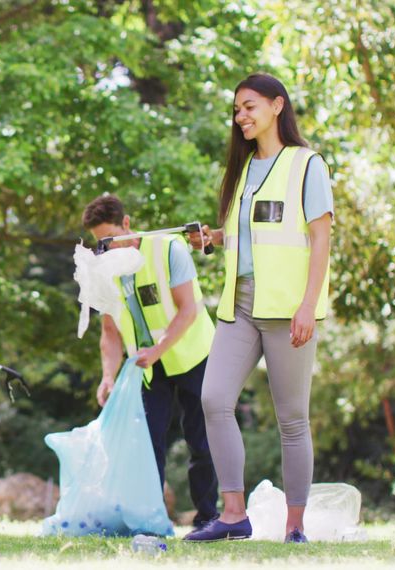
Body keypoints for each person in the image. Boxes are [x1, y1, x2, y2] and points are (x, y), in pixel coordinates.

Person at [184, 73, 333, 544]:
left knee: (292, 417)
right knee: (213, 399)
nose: (241, 116)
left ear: (276, 106)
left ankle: (294, 528)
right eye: (236, 110)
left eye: (249, 106)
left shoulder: (307, 165)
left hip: (288, 307)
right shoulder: (245, 169)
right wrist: (214, 238)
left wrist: (308, 305)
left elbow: (320, 236)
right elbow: (250, 235)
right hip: (240, 305)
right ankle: (233, 515)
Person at [82, 195, 220, 532]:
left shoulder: (168, 249)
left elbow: (188, 308)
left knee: (201, 441)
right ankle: (153, 521)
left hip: (193, 355)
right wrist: (108, 376)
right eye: (100, 243)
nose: (107, 250)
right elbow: (110, 330)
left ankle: (207, 519)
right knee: (146, 443)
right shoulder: (104, 269)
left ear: (126, 224)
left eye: (111, 240)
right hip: (148, 367)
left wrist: (158, 349)